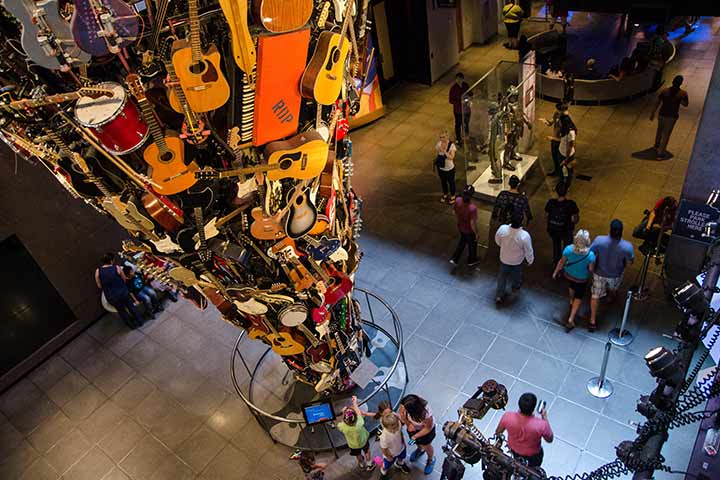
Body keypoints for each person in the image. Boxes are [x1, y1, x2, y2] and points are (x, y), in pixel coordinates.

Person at [590, 220, 635, 330]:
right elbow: (631, 260)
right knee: (613, 289)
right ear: (621, 232)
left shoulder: (599, 240)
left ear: (610, 229)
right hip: (615, 274)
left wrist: (591, 266)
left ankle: (592, 321)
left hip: (599, 273)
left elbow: (590, 252)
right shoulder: (627, 246)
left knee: (595, 296)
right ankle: (610, 297)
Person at [495, 392, 553, 468]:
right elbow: (549, 439)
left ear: (519, 404)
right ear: (534, 407)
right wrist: (544, 417)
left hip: (514, 450)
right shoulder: (541, 425)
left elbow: (498, 432)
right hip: (534, 455)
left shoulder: (507, 416)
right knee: (534, 469)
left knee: (517, 461)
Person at [553, 229, 595, 332]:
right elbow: (591, 269)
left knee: (571, 286)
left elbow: (562, 262)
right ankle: (571, 319)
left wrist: (555, 271)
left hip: (569, 274)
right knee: (579, 296)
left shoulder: (568, 249)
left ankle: (571, 299)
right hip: (581, 279)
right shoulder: (590, 255)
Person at [95, 253, 144, 329]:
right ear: (111, 260)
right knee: (131, 307)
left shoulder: (98, 271)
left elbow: (99, 286)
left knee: (122, 312)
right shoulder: (116, 268)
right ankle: (140, 321)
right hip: (123, 293)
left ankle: (132, 326)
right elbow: (124, 279)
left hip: (112, 297)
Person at [495, 211, 534, 303]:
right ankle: (515, 287)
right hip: (517, 261)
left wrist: (503, 246)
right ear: (521, 222)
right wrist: (530, 260)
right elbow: (528, 250)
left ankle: (499, 295)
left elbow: (497, 240)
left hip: (504, 258)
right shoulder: (524, 236)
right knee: (517, 275)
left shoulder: (502, 229)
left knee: (502, 276)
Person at [650, 75, 688, 159]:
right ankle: (660, 153)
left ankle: (656, 145)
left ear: (673, 82)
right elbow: (685, 104)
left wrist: (653, 113)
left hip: (662, 114)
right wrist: (679, 100)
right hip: (672, 116)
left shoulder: (665, 90)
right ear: (681, 83)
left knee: (659, 130)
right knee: (666, 134)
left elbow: (657, 102)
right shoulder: (683, 93)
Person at [399, 394, 436, 474]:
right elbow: (403, 417)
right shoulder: (405, 405)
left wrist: (415, 436)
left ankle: (431, 459)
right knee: (418, 443)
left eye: (405, 410)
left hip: (425, 431)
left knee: (426, 446)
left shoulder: (426, 413)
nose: (402, 410)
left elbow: (428, 428)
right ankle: (420, 449)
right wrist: (408, 424)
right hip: (413, 429)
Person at [544, 181, 579, 265]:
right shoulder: (571, 204)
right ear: (567, 191)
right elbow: (575, 219)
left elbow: (546, 215)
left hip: (553, 230)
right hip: (566, 231)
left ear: (556, 191)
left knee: (556, 246)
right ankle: (566, 264)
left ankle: (557, 264)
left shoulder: (551, 203)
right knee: (567, 248)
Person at [336, 396, 375, 471]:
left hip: (353, 445)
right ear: (356, 417)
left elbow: (340, 421)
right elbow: (358, 412)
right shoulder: (360, 422)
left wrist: (343, 412)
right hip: (363, 441)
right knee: (367, 451)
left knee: (358, 454)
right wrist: (355, 403)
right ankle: (369, 464)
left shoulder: (342, 426)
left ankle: (361, 463)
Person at [450, 185, 480, 267]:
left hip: (460, 226)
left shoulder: (457, 200)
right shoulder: (472, 208)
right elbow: (472, 223)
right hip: (469, 230)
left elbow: (454, 212)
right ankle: (472, 260)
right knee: (472, 245)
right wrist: (476, 233)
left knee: (462, 241)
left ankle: (455, 258)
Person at [379, 411, 411, 479]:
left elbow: (400, 433)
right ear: (386, 427)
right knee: (386, 465)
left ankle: (400, 463)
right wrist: (388, 456)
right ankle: (383, 471)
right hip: (391, 454)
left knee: (401, 457)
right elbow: (383, 448)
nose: (396, 428)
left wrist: (403, 442)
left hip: (401, 448)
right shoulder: (384, 437)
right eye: (393, 428)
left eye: (396, 425)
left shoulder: (398, 425)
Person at [540, 102, 568, 176]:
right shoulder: (556, 114)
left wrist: (553, 138)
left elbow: (564, 137)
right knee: (554, 157)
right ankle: (556, 170)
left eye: (559, 110)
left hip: (559, 141)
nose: (557, 111)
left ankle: (561, 173)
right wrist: (546, 121)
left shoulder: (565, 121)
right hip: (554, 140)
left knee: (560, 158)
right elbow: (550, 123)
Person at [435, 131, 457, 203]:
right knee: (443, 181)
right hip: (441, 167)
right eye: (440, 137)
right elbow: (438, 153)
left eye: (443, 137)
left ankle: (453, 195)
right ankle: (445, 193)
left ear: (447, 137)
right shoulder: (439, 144)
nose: (442, 139)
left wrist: (444, 151)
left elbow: (451, 157)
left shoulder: (452, 146)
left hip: (449, 168)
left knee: (451, 182)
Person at [449, 72, 471, 143]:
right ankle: (458, 138)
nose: (459, 80)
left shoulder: (466, 85)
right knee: (458, 124)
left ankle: (466, 136)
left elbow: (471, 93)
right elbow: (451, 100)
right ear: (455, 79)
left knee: (466, 123)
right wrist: (459, 102)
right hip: (458, 111)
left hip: (466, 109)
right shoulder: (453, 88)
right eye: (457, 79)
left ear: (463, 79)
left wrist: (468, 99)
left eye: (460, 79)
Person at [557, 114, 577, 187]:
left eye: (560, 121)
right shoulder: (563, 129)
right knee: (561, 171)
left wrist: (566, 159)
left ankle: (566, 186)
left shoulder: (571, 133)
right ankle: (561, 184)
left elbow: (570, 146)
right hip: (561, 152)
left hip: (568, 156)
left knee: (568, 172)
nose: (559, 122)